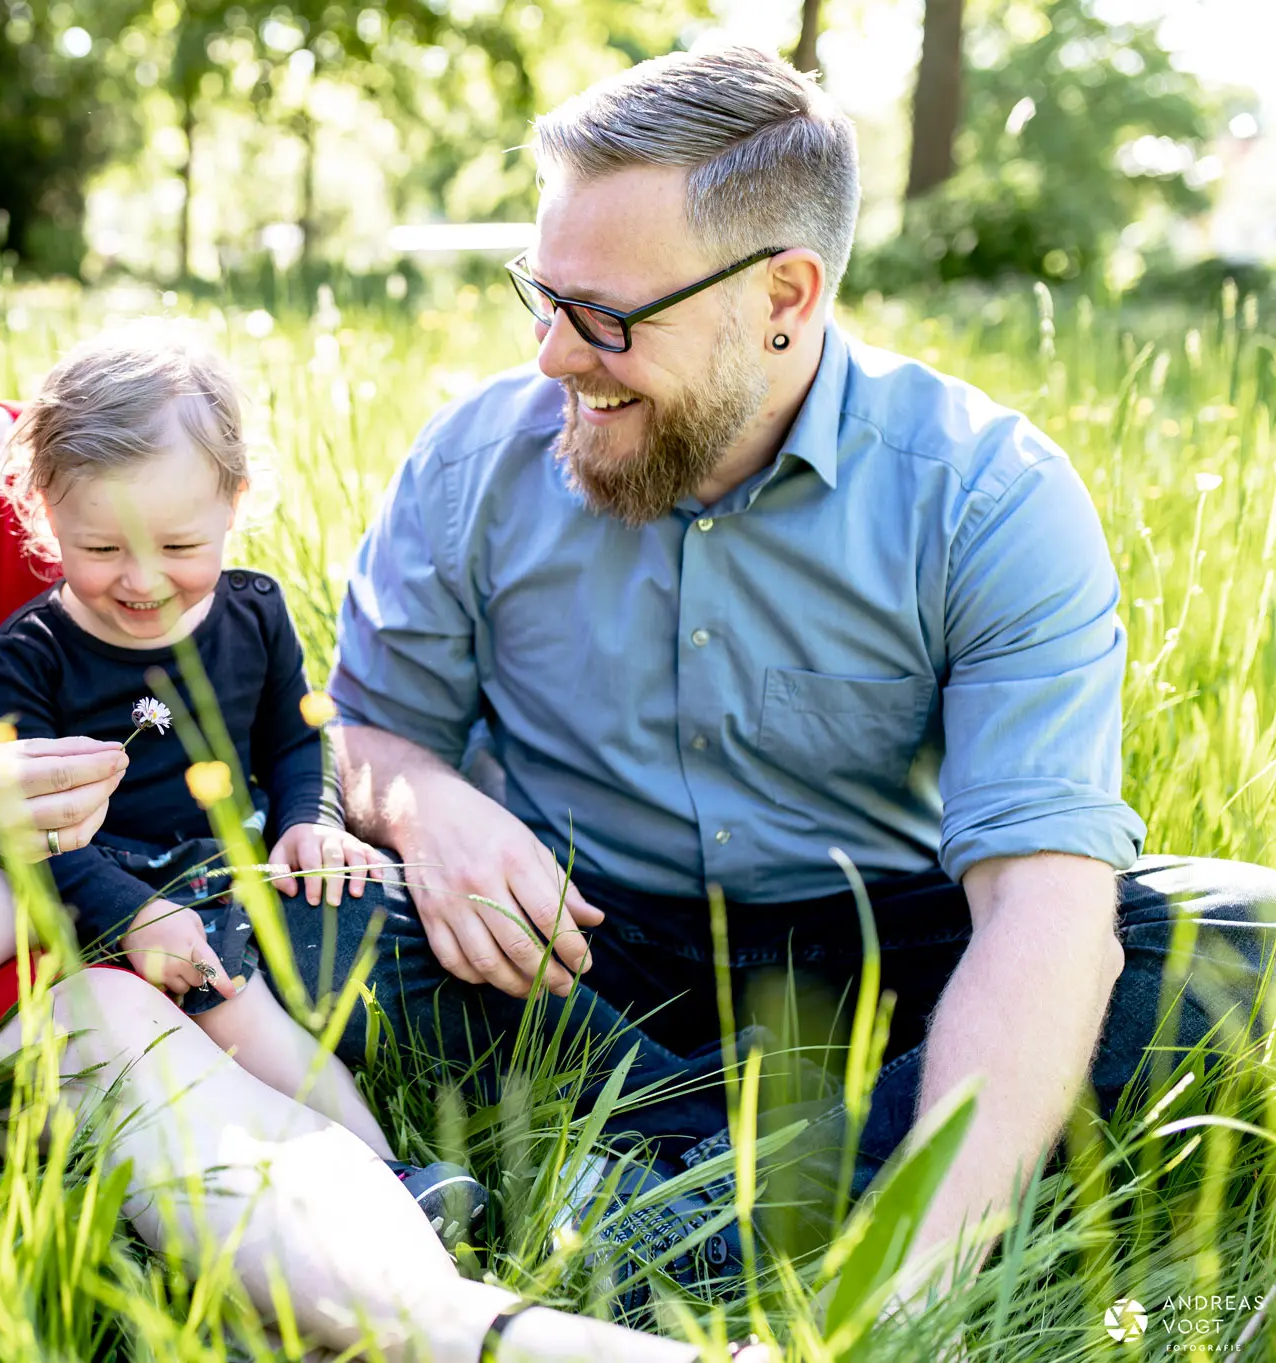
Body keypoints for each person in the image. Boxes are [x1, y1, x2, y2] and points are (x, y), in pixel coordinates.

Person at [0, 155, 708, 1362]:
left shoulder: (73, 482)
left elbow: (258, 707)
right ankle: (524, 1341)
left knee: (497, 1004)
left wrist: (400, 808)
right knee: (197, 1116)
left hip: (206, 920)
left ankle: (668, 1162)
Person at [310, 44, 1276, 1304]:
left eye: (603, 316)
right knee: (264, 901)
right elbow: (362, 736)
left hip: (894, 962)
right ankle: (758, 1191)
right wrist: (426, 807)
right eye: (537, 297)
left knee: (1226, 939)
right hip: (567, 956)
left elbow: (1039, 906)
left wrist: (908, 1284)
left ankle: (674, 1207)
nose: (552, 356)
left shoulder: (986, 497)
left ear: (784, 291)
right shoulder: (470, 465)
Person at [0, 326, 484, 1239]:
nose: (142, 582)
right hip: (104, 891)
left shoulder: (252, 612)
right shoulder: (31, 656)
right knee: (243, 1028)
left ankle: (432, 1151)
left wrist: (311, 819)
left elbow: (297, 737)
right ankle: (384, 1181)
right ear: (44, 511)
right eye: (101, 549)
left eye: (177, 545)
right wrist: (132, 913)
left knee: (361, 941)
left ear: (235, 503)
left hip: (232, 865)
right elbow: (23, 829)